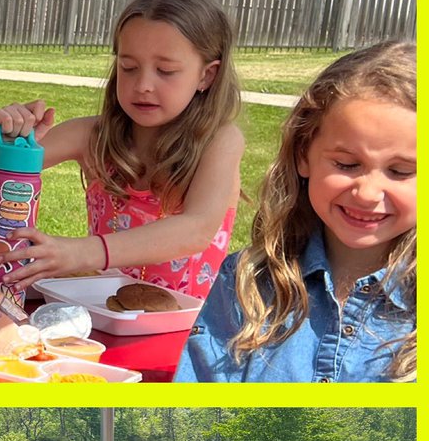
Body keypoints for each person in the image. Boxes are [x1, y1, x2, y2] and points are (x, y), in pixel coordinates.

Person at [0, 0, 243, 297]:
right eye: (128, 67)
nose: (143, 85)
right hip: (99, 315)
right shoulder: (92, 137)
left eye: (165, 71)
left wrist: (83, 252)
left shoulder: (220, 141)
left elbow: (196, 229)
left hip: (182, 330)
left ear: (206, 76)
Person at [176, 40, 415, 382]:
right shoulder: (246, 284)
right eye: (347, 164)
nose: (367, 193)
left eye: (401, 171)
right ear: (304, 154)